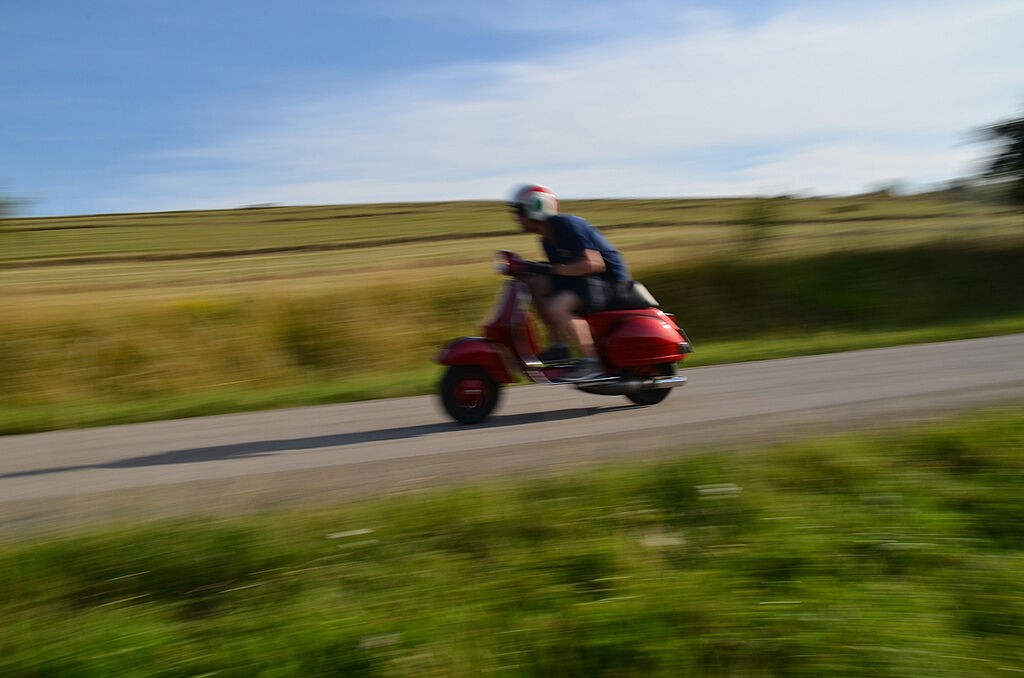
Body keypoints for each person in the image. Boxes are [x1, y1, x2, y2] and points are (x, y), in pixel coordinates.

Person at [507, 183, 631, 381]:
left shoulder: (566, 225)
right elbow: (562, 270)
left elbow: (594, 263)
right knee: (536, 283)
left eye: (520, 211)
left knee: (557, 307)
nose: (517, 218)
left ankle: (592, 361)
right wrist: (530, 269)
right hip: (586, 280)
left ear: (536, 209)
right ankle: (559, 347)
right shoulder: (546, 239)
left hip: (610, 282)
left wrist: (551, 269)